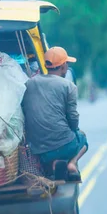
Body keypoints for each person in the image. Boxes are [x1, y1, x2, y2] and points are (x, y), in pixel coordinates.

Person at [22, 47, 88, 177]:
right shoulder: (68, 86)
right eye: (67, 64)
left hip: (38, 149)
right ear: (63, 66)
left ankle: (53, 164)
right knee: (83, 138)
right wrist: (74, 130)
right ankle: (72, 163)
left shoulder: (29, 83)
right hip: (65, 146)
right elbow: (73, 119)